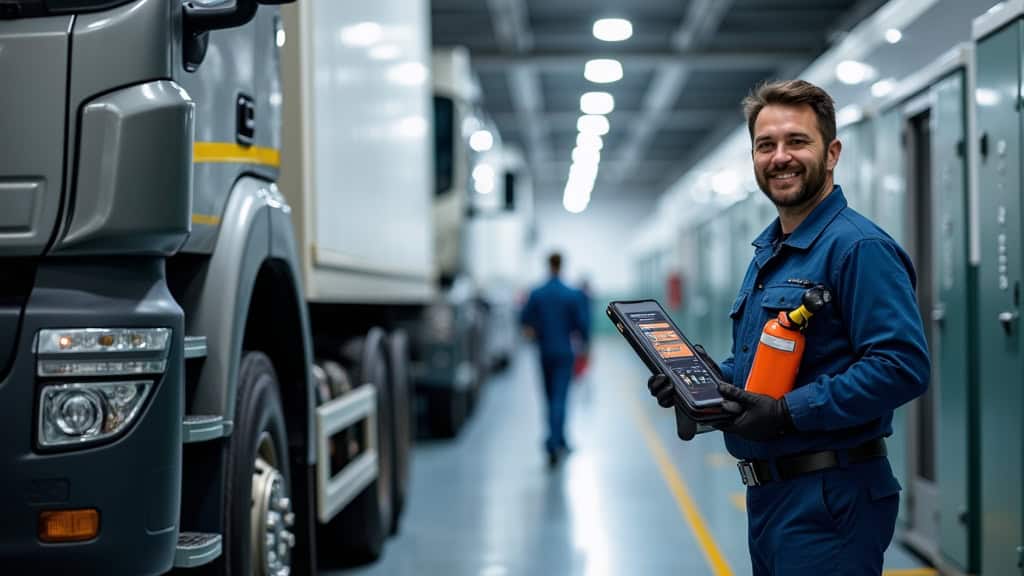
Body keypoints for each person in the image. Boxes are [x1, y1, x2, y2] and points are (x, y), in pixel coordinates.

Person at [648, 80, 930, 574]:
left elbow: (901, 366)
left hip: (830, 499)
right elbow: (770, 358)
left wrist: (786, 413)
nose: (781, 157)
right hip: (773, 496)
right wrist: (708, 383)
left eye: (797, 141)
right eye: (766, 145)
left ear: (832, 151)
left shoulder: (859, 248)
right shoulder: (771, 253)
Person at [521, 252, 590, 467]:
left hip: (544, 352)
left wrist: (536, 332)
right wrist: (585, 347)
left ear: (548, 265)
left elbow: (524, 319)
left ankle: (557, 440)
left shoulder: (537, 293)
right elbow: (582, 324)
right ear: (562, 265)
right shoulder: (571, 294)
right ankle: (556, 442)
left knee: (549, 398)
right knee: (560, 398)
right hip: (564, 352)